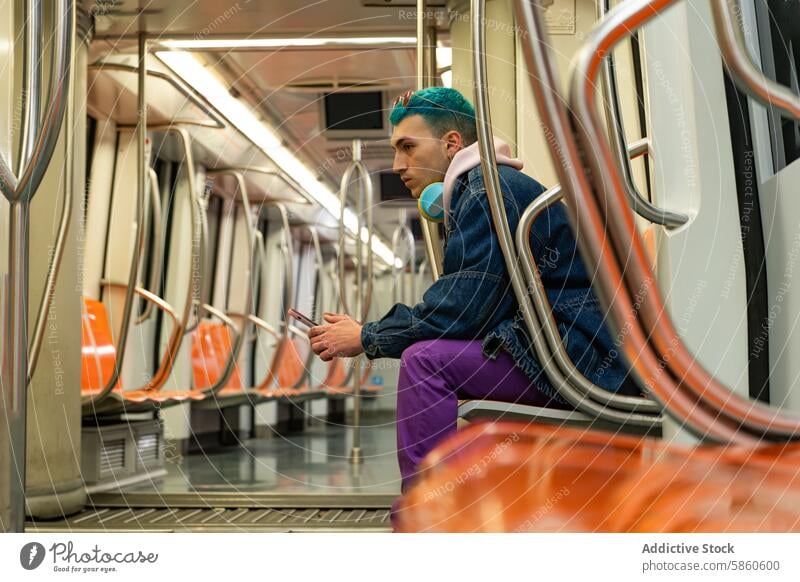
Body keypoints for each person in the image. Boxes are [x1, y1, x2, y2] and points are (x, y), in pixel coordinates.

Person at [308, 87, 638, 498]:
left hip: (582, 355)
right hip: (581, 346)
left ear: (452, 144)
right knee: (436, 356)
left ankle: (423, 520)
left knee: (424, 362)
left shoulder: (485, 192)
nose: (397, 165)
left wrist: (367, 336)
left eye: (408, 147)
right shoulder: (489, 187)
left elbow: (464, 308)